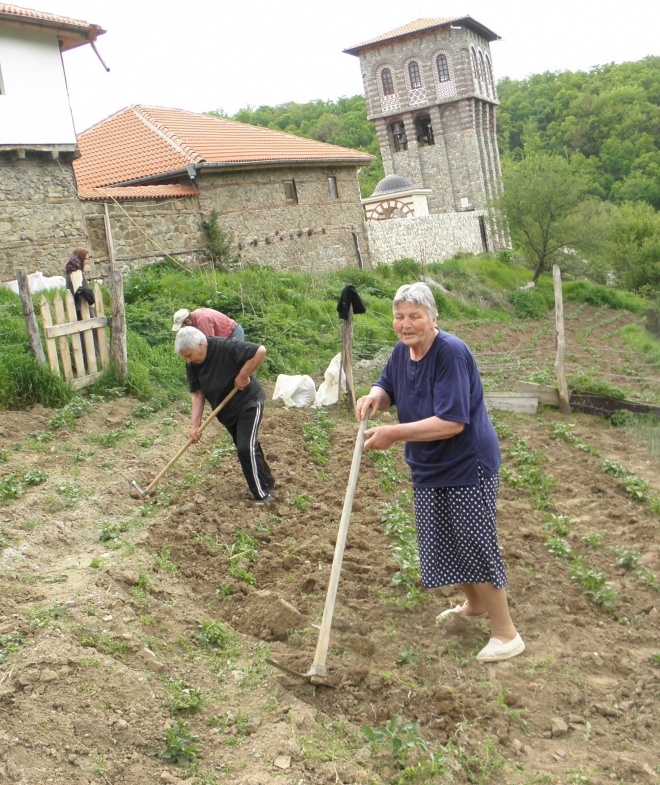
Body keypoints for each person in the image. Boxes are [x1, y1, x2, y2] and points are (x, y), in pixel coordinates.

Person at [355, 282, 524, 663]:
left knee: (475, 545)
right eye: (400, 316)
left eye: (415, 315)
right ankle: (474, 606)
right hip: (429, 467)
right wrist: (375, 398)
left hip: (467, 465)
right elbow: (387, 384)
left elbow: (452, 421)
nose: (406, 323)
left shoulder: (451, 352)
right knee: (447, 541)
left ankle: (506, 633)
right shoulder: (403, 352)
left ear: (433, 318)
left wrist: (393, 433)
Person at [174, 326, 274, 504]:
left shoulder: (225, 347)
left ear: (202, 345)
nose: (188, 361)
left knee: (245, 448)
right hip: (226, 411)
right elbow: (198, 394)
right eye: (185, 357)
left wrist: (243, 375)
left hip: (248, 402)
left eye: (189, 355)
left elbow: (260, 351)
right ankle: (268, 481)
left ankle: (261, 494)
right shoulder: (192, 365)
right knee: (249, 446)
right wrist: (194, 426)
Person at [172, 307, 244, 340]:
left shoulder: (203, 321)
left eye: (182, 326)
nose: (182, 329)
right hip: (224, 336)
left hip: (233, 333)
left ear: (188, 321)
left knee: (231, 363)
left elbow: (210, 343)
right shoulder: (196, 316)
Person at [65, 248, 95, 320]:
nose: (87, 261)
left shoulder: (72, 272)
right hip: (82, 311)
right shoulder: (76, 273)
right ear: (80, 259)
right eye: (85, 259)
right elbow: (79, 292)